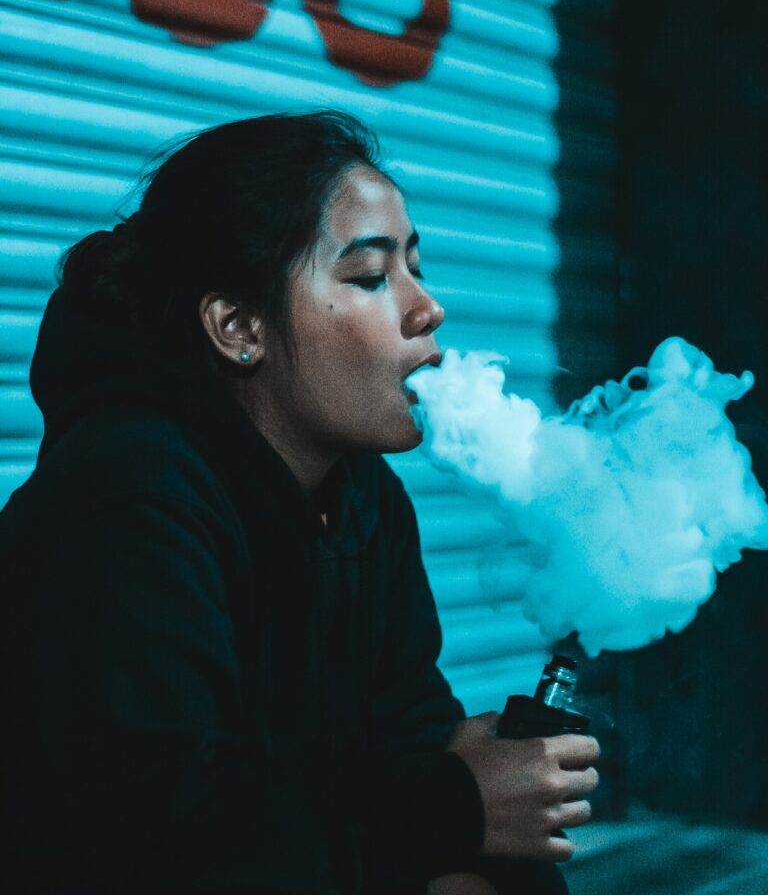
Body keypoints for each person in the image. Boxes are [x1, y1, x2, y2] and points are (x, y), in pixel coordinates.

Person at [0, 111, 599, 894]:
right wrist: (457, 807)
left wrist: (484, 801)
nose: (428, 308)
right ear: (238, 327)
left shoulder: (364, 501)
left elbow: (408, 744)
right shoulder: (122, 505)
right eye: (371, 276)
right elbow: (167, 852)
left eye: (416, 267)